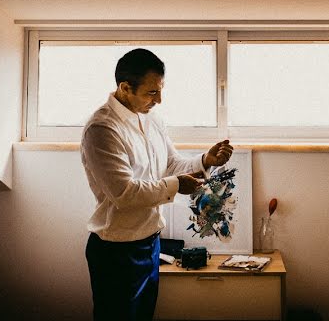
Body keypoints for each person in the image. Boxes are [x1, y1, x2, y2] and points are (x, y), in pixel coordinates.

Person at [80, 48, 233, 321]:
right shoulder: (102, 130)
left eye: (160, 90)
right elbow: (124, 194)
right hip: (116, 251)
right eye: (152, 92)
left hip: (150, 244)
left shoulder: (152, 120)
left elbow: (171, 165)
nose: (159, 100)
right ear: (125, 88)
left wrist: (204, 160)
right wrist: (176, 185)